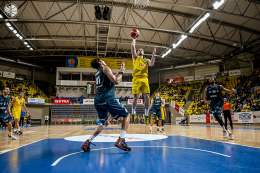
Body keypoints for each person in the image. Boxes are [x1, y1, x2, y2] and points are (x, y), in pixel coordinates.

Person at [81, 58, 131, 152]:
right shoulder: (105, 68)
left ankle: (87, 141)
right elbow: (116, 81)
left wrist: (120, 70)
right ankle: (121, 139)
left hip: (97, 101)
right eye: (102, 60)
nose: (104, 61)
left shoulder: (97, 73)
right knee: (127, 115)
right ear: (100, 62)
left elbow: (111, 79)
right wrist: (122, 72)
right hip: (107, 98)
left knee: (105, 123)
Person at [131, 38, 156, 124]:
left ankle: (146, 114)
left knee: (147, 97)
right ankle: (133, 113)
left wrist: (153, 54)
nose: (140, 50)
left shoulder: (146, 60)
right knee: (135, 97)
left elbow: (152, 63)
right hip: (136, 79)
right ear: (137, 52)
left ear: (143, 53)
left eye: (141, 50)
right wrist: (134, 39)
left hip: (145, 79)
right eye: (139, 50)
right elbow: (132, 47)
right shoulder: (135, 58)